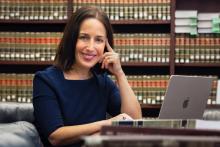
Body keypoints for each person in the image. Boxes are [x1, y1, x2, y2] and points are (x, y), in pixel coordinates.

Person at [33, 6, 142, 147]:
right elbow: (55, 136)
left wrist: (120, 74)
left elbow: (134, 120)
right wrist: (108, 124)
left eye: (99, 40)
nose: (91, 47)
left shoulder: (103, 82)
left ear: (105, 45)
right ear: (72, 39)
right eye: (84, 38)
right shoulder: (45, 80)